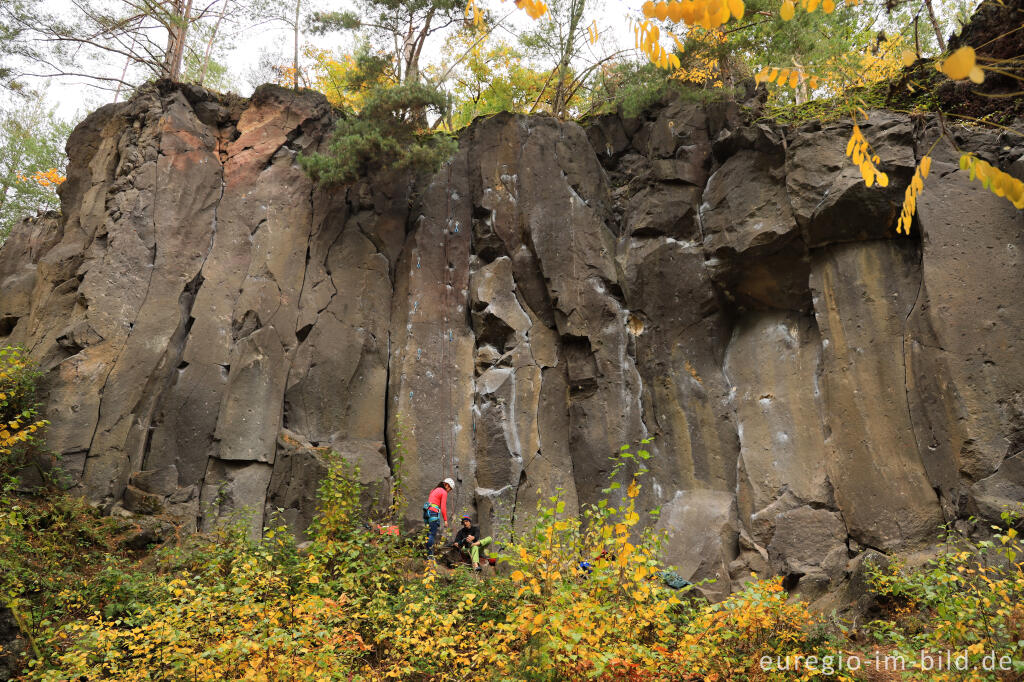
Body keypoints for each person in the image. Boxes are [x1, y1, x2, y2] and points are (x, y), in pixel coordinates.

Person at [424, 478, 454, 556]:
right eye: (449, 488)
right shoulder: (443, 492)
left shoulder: (434, 490)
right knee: (431, 534)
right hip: (433, 513)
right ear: (446, 484)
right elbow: (443, 507)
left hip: (427, 513)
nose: (449, 490)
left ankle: (427, 554)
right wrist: (445, 520)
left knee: (428, 534)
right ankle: (430, 556)